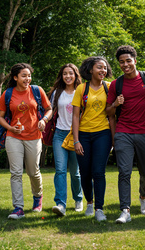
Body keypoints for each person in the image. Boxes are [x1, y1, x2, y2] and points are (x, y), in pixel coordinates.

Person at [105, 45, 145, 224]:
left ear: (135, 60)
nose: (125, 64)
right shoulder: (116, 84)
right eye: (121, 62)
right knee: (124, 172)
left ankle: (143, 197)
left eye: (128, 61)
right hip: (124, 132)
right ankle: (125, 210)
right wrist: (115, 104)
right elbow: (108, 112)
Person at [0, 63, 52, 219]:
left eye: (29, 75)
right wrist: (11, 128)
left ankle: (37, 198)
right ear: (15, 78)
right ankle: (18, 208)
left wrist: (44, 120)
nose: (27, 78)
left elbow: (49, 109)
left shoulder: (37, 90)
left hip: (34, 137)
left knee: (33, 172)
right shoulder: (8, 94)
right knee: (16, 173)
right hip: (13, 137)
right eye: (24, 76)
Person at [72, 56, 114, 222]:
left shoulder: (109, 87)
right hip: (83, 134)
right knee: (85, 173)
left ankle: (99, 209)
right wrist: (76, 140)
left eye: (104, 67)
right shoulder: (82, 89)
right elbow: (75, 116)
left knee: (98, 172)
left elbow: (112, 115)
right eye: (99, 67)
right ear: (90, 70)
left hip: (102, 134)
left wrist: (113, 138)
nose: (102, 70)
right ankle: (89, 201)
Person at [49, 63, 84, 216]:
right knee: (60, 170)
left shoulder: (82, 91)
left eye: (71, 73)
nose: (68, 76)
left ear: (76, 75)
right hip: (60, 135)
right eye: (65, 73)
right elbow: (50, 111)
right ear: (61, 76)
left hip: (76, 135)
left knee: (75, 172)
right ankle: (60, 204)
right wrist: (44, 120)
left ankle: (78, 198)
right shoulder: (57, 92)